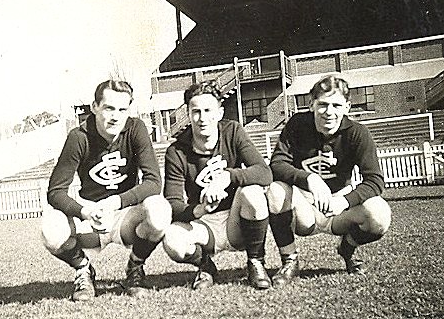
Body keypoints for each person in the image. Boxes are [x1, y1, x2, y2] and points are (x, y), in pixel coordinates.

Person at [43, 79, 171, 302]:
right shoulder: (79, 137)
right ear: (94, 107)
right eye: (108, 108)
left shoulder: (135, 129)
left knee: (160, 210)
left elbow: (153, 182)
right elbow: (55, 192)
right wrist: (84, 211)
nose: (115, 116)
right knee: (51, 230)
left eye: (122, 109)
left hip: (125, 213)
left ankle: (135, 269)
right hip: (90, 215)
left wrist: (116, 202)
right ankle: (83, 270)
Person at [266, 75, 391, 283]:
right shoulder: (297, 124)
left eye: (336, 105)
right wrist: (309, 179)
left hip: (338, 208)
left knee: (379, 215)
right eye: (322, 104)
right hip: (304, 208)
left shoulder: (357, 133)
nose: (329, 112)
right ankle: (290, 261)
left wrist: (344, 201)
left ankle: (347, 246)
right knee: (276, 190)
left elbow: (375, 180)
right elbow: (277, 164)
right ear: (311, 105)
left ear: (347, 107)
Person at [162, 80, 273, 290]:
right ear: (188, 113)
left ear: (220, 112)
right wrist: (199, 208)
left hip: (236, 220)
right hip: (204, 223)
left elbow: (264, 172)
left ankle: (256, 261)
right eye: (196, 111)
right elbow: (172, 203)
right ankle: (205, 266)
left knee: (253, 192)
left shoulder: (232, 131)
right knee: (172, 240)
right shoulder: (176, 151)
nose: (202, 118)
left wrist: (228, 176)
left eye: (208, 110)